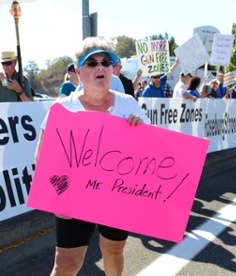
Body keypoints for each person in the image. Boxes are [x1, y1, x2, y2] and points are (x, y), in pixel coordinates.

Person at [36, 37, 150, 276]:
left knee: (114, 249)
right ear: (78, 70)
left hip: (116, 194)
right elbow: (43, 155)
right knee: (67, 261)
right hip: (73, 194)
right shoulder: (62, 108)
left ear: (112, 69)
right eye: (92, 62)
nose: (100, 67)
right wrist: (56, 197)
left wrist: (142, 133)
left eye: (105, 62)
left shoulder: (129, 104)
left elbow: (150, 154)